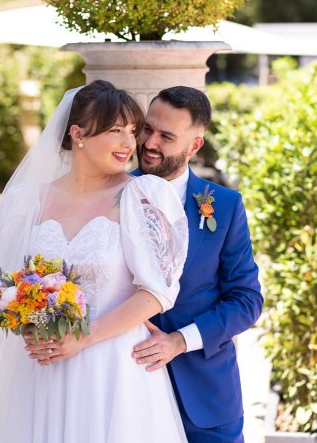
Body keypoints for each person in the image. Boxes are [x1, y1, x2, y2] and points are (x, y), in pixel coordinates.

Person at [0, 80, 190, 443]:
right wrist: (29, 323)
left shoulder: (142, 196)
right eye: (115, 130)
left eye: (132, 131)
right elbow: (8, 284)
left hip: (111, 369)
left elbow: (157, 293)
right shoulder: (27, 199)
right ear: (78, 133)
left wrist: (82, 339)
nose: (129, 143)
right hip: (40, 367)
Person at [131, 86, 263, 443]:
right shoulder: (107, 193)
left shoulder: (224, 205)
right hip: (124, 387)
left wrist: (179, 340)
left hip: (204, 398)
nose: (150, 142)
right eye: (147, 129)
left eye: (166, 136)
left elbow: (246, 300)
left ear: (195, 146)